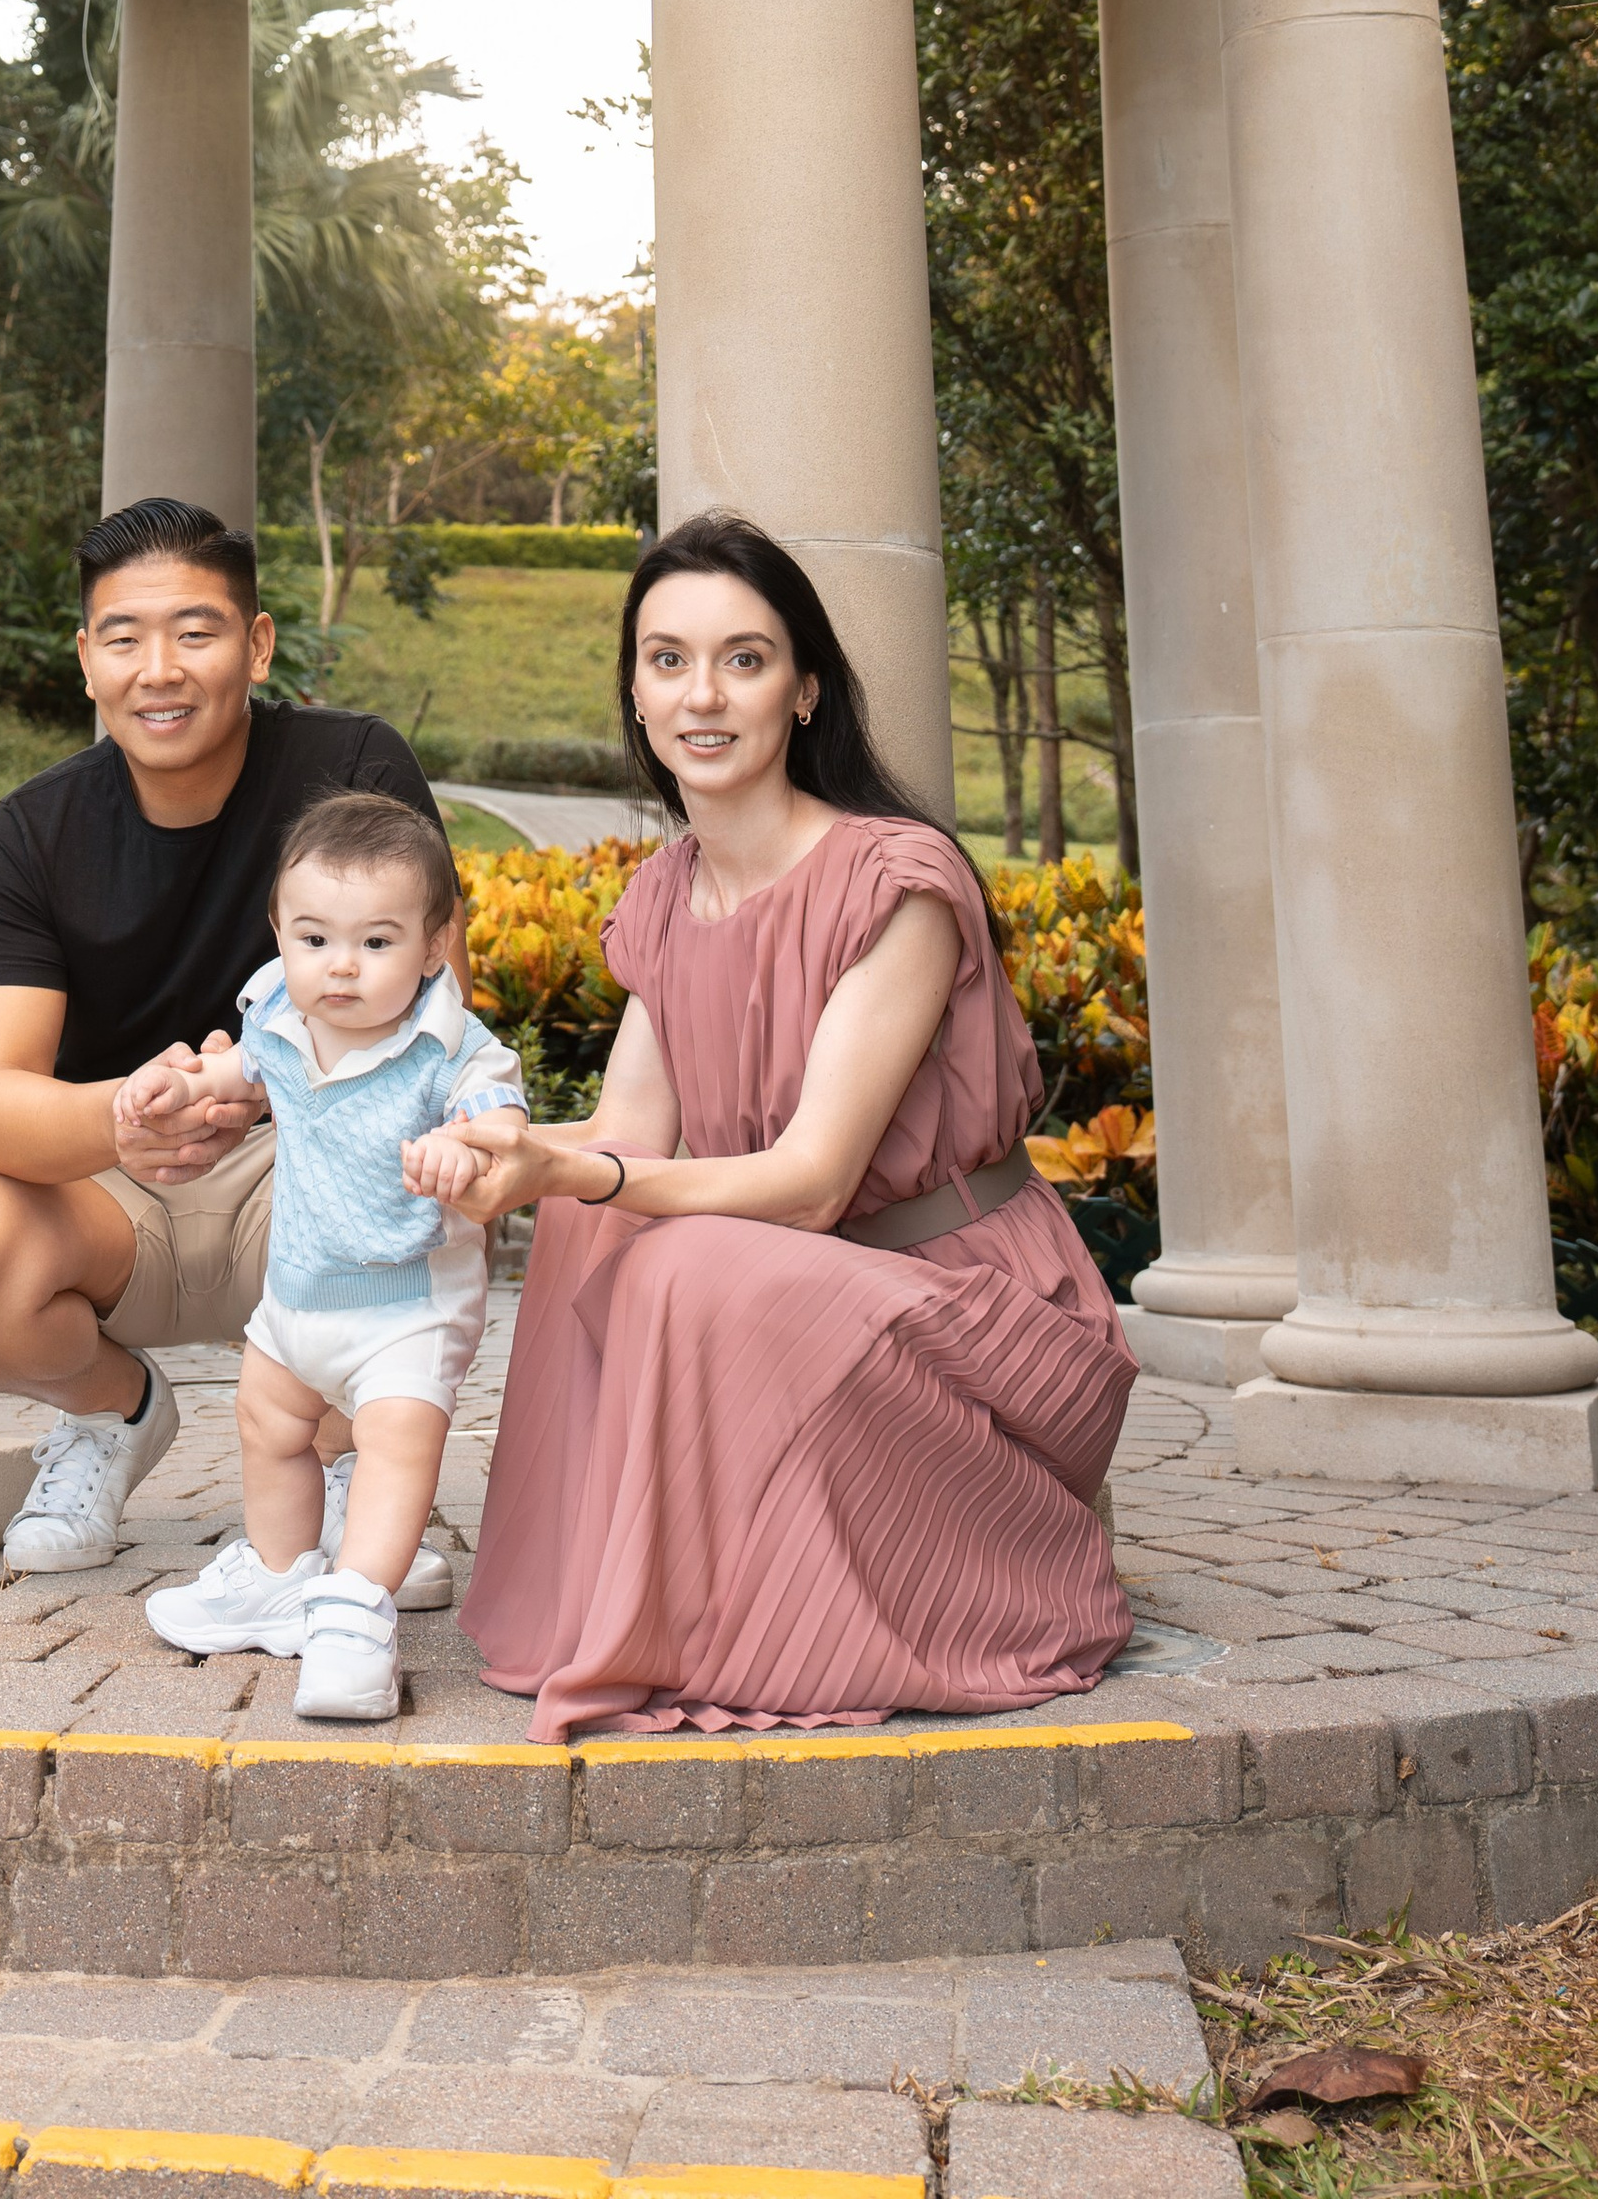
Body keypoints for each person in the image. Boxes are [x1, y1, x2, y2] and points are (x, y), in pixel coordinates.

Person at [450, 510, 1136, 1744]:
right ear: (636, 695)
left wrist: (582, 1168)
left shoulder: (896, 881)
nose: (700, 695)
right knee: (584, 1222)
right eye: (666, 660)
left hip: (970, 1305)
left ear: (806, 690)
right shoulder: (664, 895)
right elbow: (625, 1130)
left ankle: (972, 1564)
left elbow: (816, 1183)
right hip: (797, 1291)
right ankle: (608, 1601)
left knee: (669, 1240)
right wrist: (472, 1141)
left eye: (743, 659)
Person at [0, 494, 454, 1584]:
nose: (161, 668)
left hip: (307, 1166)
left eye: (195, 631)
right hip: (114, 1185)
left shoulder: (354, 771)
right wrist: (120, 1117)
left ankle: (351, 1464)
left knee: (411, 1166)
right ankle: (113, 1414)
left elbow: (431, 1028)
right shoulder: (33, 832)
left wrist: (268, 1085)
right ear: (86, 659)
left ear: (256, 643)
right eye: (124, 636)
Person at [135, 792, 527, 1718]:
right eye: (313, 940)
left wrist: (463, 1148)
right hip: (297, 1292)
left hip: (406, 1305)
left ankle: (357, 1610)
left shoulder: (449, 1048)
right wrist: (174, 1085)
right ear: (279, 932)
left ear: (435, 945)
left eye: (376, 943)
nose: (339, 967)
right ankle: (280, 1577)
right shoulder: (276, 1015)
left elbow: (504, 1122)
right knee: (269, 1426)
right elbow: (232, 1075)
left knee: (395, 1446)